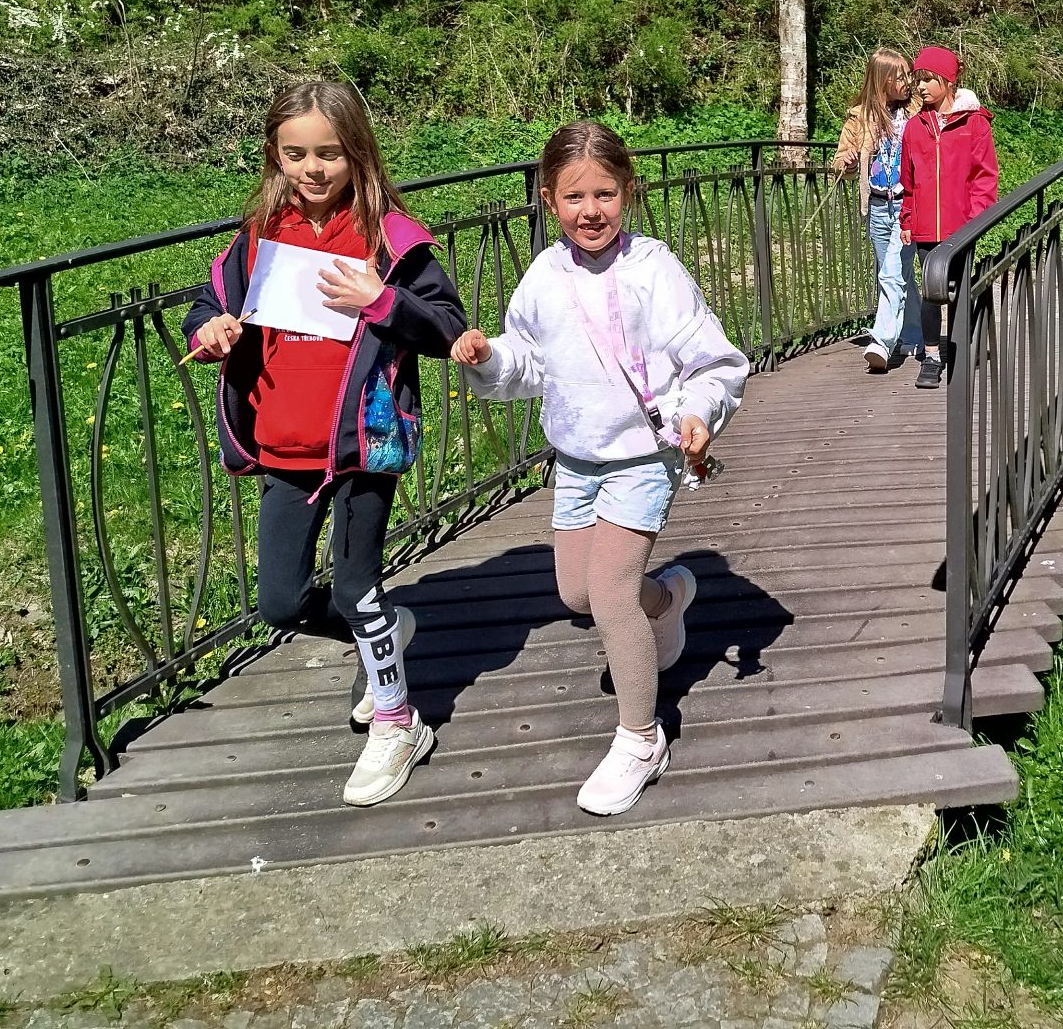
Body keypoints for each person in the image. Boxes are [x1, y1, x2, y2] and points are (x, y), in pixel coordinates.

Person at [182, 82, 467, 807]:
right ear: (274, 155)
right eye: (295, 153)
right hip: (284, 446)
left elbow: (446, 327)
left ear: (358, 152)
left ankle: (399, 723)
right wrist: (209, 330)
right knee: (280, 602)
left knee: (354, 585)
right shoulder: (258, 237)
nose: (312, 168)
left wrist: (382, 300)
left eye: (329, 153)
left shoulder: (391, 239)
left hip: (364, 443)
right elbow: (211, 305)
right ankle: (385, 633)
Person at [451, 122, 748, 816]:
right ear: (549, 200)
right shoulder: (543, 278)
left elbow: (714, 360)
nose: (591, 211)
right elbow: (527, 360)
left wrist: (699, 412)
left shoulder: (653, 270)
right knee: (578, 594)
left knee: (610, 593)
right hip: (578, 457)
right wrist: (489, 358)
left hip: (644, 454)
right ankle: (666, 601)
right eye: (575, 197)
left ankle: (642, 739)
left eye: (605, 194)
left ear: (628, 192)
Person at [899, 45, 999, 389]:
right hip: (925, 227)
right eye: (918, 80)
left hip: (962, 225)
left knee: (959, 288)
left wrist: (976, 219)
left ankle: (959, 349)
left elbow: (985, 177)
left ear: (948, 81)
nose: (921, 87)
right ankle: (931, 356)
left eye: (928, 80)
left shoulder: (975, 123)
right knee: (932, 291)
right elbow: (908, 181)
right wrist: (907, 220)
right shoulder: (914, 128)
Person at [833, 47, 925, 373]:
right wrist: (846, 162)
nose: (907, 82)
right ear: (882, 80)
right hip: (876, 206)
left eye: (908, 75)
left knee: (891, 273)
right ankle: (914, 334)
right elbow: (840, 162)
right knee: (897, 275)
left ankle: (882, 342)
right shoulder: (859, 117)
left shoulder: (917, 111)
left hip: (906, 205)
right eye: (900, 77)